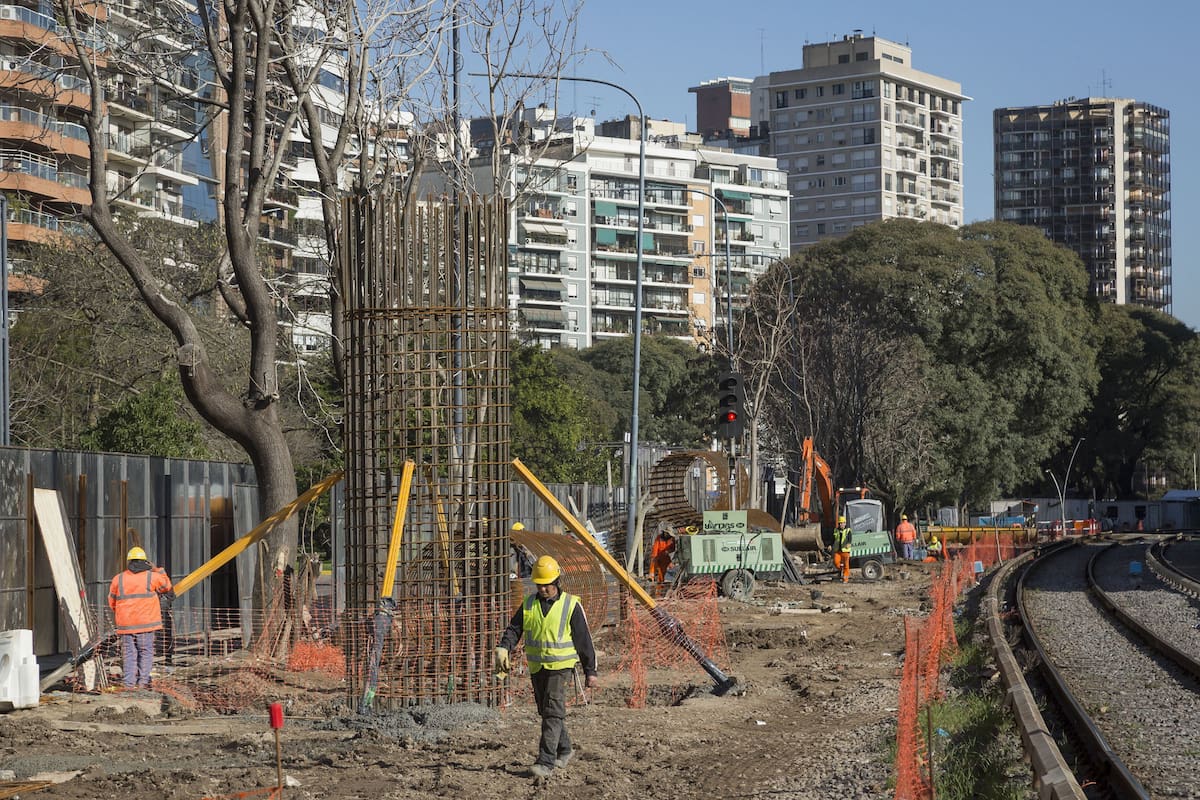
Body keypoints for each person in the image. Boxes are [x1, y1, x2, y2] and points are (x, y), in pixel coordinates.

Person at [495, 555, 598, 778]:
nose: (542, 588)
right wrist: (504, 647)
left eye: (546, 584)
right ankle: (565, 749)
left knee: (552, 711)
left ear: (556, 581)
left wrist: (590, 671)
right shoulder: (529, 604)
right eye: (539, 584)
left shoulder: (571, 605)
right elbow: (515, 629)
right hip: (537, 666)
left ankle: (546, 761)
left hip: (561, 668)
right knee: (547, 711)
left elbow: (584, 640)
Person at [108, 546, 174, 689]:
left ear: (129, 562)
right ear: (145, 562)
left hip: (126, 625)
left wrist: (123, 615)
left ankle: (129, 685)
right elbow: (167, 586)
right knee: (145, 652)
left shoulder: (118, 579)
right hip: (146, 624)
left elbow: (112, 602)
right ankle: (143, 683)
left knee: (130, 655)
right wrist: (158, 569)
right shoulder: (152, 576)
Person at [832, 515, 852, 583]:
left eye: (842, 523)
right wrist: (830, 545)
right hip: (837, 551)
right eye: (840, 523)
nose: (841, 524)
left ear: (845, 523)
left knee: (846, 565)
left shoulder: (848, 530)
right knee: (836, 562)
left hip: (845, 551)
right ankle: (841, 568)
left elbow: (850, 538)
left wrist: (849, 543)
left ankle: (845, 579)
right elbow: (833, 539)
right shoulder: (836, 530)